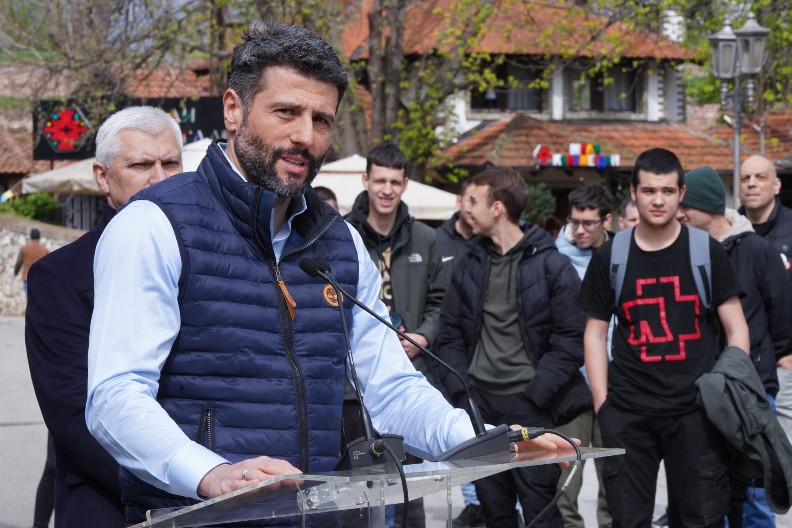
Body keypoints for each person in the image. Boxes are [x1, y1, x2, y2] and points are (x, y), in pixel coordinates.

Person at [84, 24, 569, 525]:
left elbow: (392, 388)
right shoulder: (153, 225)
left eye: (322, 120)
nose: (305, 136)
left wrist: (477, 440)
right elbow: (115, 398)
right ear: (233, 109)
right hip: (198, 514)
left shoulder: (340, 242)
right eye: (286, 112)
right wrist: (210, 474)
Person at [26, 106, 184, 527]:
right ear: (102, 176)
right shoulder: (59, 277)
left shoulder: (210, 259)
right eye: (140, 164)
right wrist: (193, 482)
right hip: (112, 505)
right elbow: (75, 419)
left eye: (170, 163)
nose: (160, 177)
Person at [579, 148, 749, 527]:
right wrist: (603, 405)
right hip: (627, 413)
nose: (658, 200)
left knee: (700, 519)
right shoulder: (610, 257)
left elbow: (738, 329)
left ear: (681, 193)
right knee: (627, 519)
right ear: (634, 192)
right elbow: (595, 332)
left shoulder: (707, 251)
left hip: (696, 415)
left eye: (668, 191)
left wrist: (724, 394)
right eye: (650, 190)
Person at [436, 168, 590, 528]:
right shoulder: (468, 264)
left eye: (473, 201)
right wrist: (463, 396)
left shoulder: (553, 264)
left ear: (498, 208)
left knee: (541, 512)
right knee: (494, 513)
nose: (465, 209)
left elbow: (571, 338)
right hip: (481, 410)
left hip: (533, 408)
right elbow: (450, 335)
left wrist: (536, 395)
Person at [678, 165, 792, 528]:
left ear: (706, 206)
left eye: (685, 206)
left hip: (751, 389)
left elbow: (783, 316)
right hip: (703, 390)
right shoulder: (687, 249)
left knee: (756, 495)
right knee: (714, 494)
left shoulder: (756, 249)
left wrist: (766, 370)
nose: (679, 213)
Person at [346, 142, 446, 527]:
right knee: (356, 490)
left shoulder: (426, 238)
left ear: (405, 184)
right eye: (380, 180)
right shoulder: (341, 233)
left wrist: (423, 336)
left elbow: (440, 303)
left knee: (409, 490)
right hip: (353, 386)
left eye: (395, 182)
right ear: (366, 181)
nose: (387, 190)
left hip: (410, 376)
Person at [554, 185, 613, 528]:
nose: (579, 230)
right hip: (570, 380)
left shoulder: (622, 253)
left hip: (615, 376)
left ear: (606, 220)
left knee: (614, 472)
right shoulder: (554, 256)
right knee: (565, 473)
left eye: (588, 223)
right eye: (575, 222)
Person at [435, 181, 484, 528]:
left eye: (478, 202)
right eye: (468, 200)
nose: (471, 208)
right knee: (461, 430)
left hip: (484, 355)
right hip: (451, 354)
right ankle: (473, 504)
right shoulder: (438, 240)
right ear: (459, 201)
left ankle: (488, 506)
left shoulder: (490, 243)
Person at [14, 228, 48, 296]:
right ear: (39, 237)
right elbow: (48, 266)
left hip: (27, 279)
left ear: (31, 236)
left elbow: (19, 262)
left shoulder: (25, 248)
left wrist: (16, 272)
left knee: (29, 301)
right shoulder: (44, 250)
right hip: (40, 280)